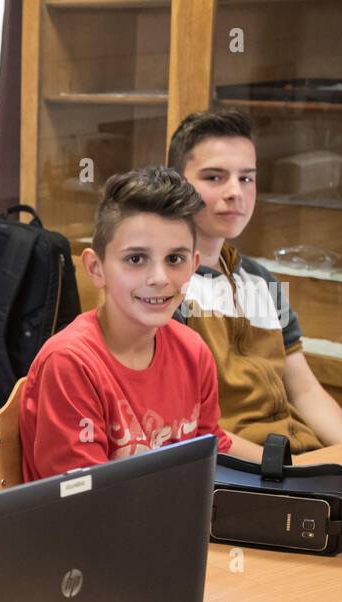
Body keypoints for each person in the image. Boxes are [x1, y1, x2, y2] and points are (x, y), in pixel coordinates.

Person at [19, 165, 231, 481]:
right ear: (96, 267)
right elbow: (84, 504)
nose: (159, 278)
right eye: (136, 259)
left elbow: (214, 460)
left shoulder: (194, 351)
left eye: (175, 259)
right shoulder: (70, 364)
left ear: (194, 266)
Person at [168, 108, 342, 457]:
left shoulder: (260, 281)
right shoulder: (163, 289)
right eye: (214, 177)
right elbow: (184, 426)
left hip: (294, 456)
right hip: (233, 471)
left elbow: (304, 391)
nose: (235, 192)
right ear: (177, 183)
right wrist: (287, 474)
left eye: (246, 178)